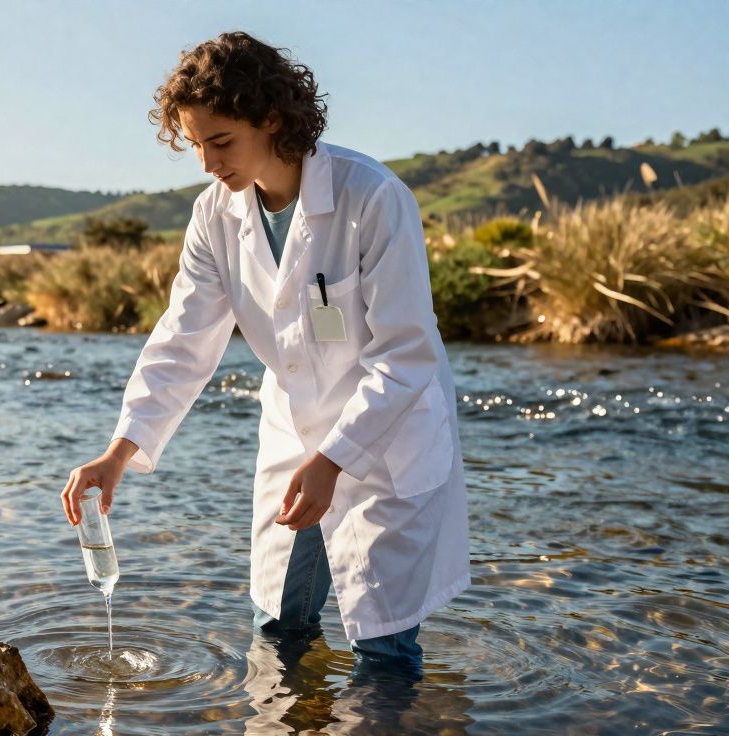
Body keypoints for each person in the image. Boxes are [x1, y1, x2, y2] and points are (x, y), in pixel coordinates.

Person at [60, 31, 470, 672]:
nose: (206, 162)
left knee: (383, 646)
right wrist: (121, 450)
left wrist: (335, 459)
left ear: (272, 117)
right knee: (279, 627)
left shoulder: (373, 198)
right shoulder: (214, 215)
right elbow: (184, 337)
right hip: (293, 429)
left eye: (220, 141)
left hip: (387, 437)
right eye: (194, 144)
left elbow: (406, 356)